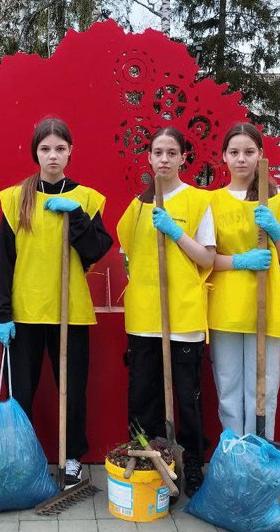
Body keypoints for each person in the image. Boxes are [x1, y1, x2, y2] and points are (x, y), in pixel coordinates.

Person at [0, 117, 113, 488]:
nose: (53, 155)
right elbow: (5, 259)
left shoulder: (87, 198)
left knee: (71, 390)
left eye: (60, 148)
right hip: (25, 313)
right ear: (35, 153)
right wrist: (2, 313)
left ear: (71, 151)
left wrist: (74, 214)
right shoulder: (15, 199)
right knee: (22, 390)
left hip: (69, 310)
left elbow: (95, 249)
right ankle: (23, 457)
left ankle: (72, 456)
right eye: (45, 149)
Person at [116, 126, 216, 497]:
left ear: (183, 158)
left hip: (184, 317)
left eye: (171, 152)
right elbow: (128, 251)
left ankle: (190, 459)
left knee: (187, 398)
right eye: (157, 152)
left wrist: (175, 231)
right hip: (145, 317)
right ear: (148, 158)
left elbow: (207, 257)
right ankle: (146, 457)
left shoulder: (199, 201)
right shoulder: (137, 207)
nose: (164, 159)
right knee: (143, 396)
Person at [207, 123, 280, 439]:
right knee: (229, 385)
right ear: (223, 157)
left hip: (267, 307)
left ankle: (259, 453)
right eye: (234, 152)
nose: (241, 159)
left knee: (263, 387)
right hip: (226, 308)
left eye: (249, 152)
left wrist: (276, 231)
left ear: (261, 155)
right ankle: (234, 456)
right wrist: (239, 261)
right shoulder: (212, 203)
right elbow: (205, 260)